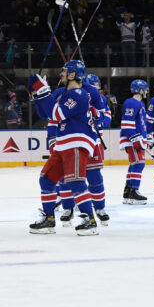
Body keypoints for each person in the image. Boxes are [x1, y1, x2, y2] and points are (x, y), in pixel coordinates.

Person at [27, 62, 100, 236]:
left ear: (73, 75)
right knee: (46, 179)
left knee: (75, 181)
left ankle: (89, 220)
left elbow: (56, 114)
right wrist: (37, 94)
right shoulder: (68, 94)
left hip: (76, 141)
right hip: (64, 142)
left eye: (65, 71)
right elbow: (46, 113)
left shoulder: (78, 94)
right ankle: (49, 219)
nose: (61, 73)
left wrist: (44, 92)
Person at [83, 74, 111, 226]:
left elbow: (106, 119)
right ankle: (72, 205)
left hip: (93, 141)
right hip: (78, 142)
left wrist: (97, 119)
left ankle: (100, 208)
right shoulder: (75, 95)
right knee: (72, 178)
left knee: (95, 177)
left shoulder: (101, 100)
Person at [120, 79, 149, 205]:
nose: (147, 92)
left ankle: (128, 192)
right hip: (132, 139)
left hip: (137, 138)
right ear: (141, 90)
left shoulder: (140, 104)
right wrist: (135, 139)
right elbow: (127, 124)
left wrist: (146, 138)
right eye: (145, 89)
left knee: (135, 164)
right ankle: (134, 192)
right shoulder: (131, 102)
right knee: (138, 164)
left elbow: (141, 124)